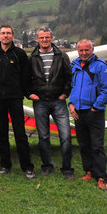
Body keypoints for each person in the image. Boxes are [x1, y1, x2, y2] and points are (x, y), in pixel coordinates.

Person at [0, 24, 35, 179]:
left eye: (8, 33)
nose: (6, 36)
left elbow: (25, 77)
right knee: (2, 134)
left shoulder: (20, 54)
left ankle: (27, 167)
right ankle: (5, 165)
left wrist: (26, 94)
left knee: (20, 134)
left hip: (14, 99)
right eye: (3, 33)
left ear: (13, 35)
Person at [28, 28, 74, 179]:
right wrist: (29, 93)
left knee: (66, 135)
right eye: (42, 38)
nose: (45, 40)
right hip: (40, 101)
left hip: (58, 101)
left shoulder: (61, 55)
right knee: (43, 136)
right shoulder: (32, 57)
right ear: (37, 39)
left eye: (47, 37)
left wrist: (65, 94)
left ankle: (67, 168)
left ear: (52, 38)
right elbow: (26, 78)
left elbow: (69, 76)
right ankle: (47, 165)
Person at [69, 39, 107, 190]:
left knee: (97, 146)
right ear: (77, 51)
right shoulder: (74, 65)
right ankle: (89, 171)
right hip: (78, 113)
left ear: (92, 50)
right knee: (84, 145)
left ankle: (102, 177)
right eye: (81, 50)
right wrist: (71, 104)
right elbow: (73, 88)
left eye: (87, 50)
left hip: (94, 112)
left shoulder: (100, 66)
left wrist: (95, 107)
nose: (84, 53)